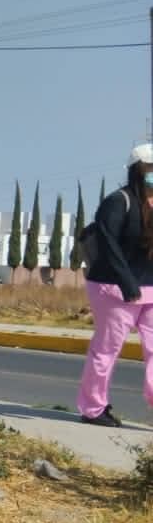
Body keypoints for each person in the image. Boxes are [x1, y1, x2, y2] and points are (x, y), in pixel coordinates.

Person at [77, 143, 153, 428]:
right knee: (107, 349)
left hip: (150, 287)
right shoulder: (118, 201)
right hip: (113, 287)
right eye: (151, 167)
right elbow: (108, 244)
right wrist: (127, 283)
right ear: (137, 170)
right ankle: (93, 408)